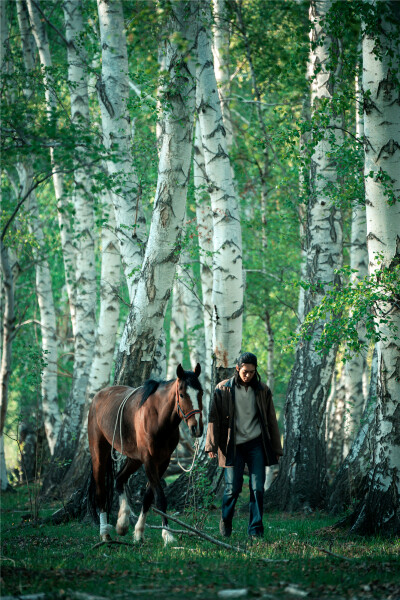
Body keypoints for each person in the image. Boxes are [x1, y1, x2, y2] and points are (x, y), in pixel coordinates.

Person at [205, 352, 283, 538]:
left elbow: (271, 420)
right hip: (233, 445)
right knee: (233, 488)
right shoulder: (222, 389)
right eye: (245, 371)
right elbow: (213, 418)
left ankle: (255, 530)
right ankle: (226, 521)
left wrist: (276, 448)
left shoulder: (263, 390)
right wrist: (211, 445)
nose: (248, 375)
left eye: (252, 372)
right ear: (237, 369)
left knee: (257, 488)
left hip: (256, 444)